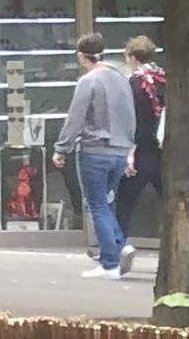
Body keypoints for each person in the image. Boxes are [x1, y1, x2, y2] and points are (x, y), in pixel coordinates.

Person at [57, 33, 138, 279]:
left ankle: (110, 263)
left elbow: (76, 117)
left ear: (82, 56)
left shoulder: (88, 81)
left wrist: (62, 148)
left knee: (96, 204)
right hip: (120, 151)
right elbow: (130, 114)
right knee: (105, 202)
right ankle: (119, 245)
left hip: (95, 150)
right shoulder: (121, 78)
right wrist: (129, 147)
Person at [114, 35, 167, 241]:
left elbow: (127, 118)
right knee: (169, 198)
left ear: (133, 57)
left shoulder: (134, 83)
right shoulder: (164, 79)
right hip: (163, 150)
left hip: (139, 150)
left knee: (125, 203)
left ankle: (118, 246)